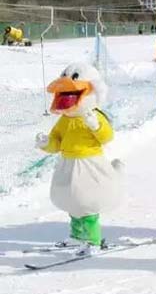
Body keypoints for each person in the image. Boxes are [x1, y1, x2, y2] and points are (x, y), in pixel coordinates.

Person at [35, 63, 122, 256]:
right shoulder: (65, 119)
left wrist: (96, 125)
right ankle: (77, 236)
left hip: (89, 165)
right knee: (73, 203)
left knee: (87, 203)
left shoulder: (94, 115)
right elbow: (57, 142)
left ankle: (93, 240)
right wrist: (46, 143)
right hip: (68, 164)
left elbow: (107, 137)